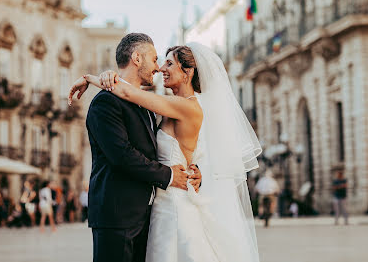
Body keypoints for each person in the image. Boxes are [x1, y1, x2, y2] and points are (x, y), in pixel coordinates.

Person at [69, 35, 261, 262]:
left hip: (172, 205)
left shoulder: (183, 106)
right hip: (140, 209)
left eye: (168, 63)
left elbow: (129, 92)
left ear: (187, 72)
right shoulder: (151, 105)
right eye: (157, 60)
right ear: (137, 58)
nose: (160, 68)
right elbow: (124, 150)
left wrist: (91, 78)